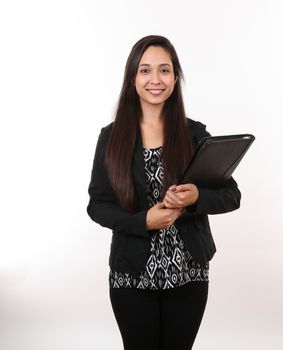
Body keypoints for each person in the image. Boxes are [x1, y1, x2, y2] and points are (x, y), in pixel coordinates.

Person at [86, 35, 241, 350]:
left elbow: (231, 195)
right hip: (131, 276)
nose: (155, 79)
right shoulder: (111, 138)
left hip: (190, 274)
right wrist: (144, 221)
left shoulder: (195, 134)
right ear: (132, 78)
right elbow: (98, 206)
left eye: (164, 70)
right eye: (145, 70)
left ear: (175, 77)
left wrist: (196, 196)